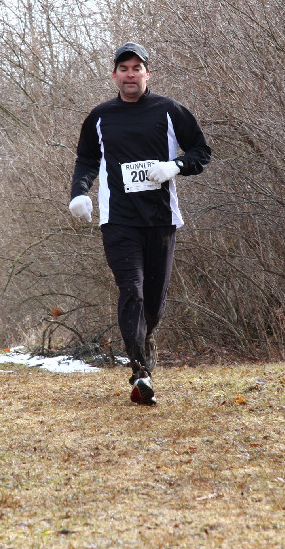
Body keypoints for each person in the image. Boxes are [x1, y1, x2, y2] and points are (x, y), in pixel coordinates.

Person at [68, 42, 212, 405]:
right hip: (118, 220)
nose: (130, 75)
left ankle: (145, 343)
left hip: (161, 220)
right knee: (130, 290)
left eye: (136, 68)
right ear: (114, 75)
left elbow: (201, 152)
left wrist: (175, 166)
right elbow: (86, 159)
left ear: (148, 73)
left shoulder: (169, 110)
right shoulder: (100, 116)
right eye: (124, 68)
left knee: (153, 304)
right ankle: (139, 372)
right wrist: (79, 193)